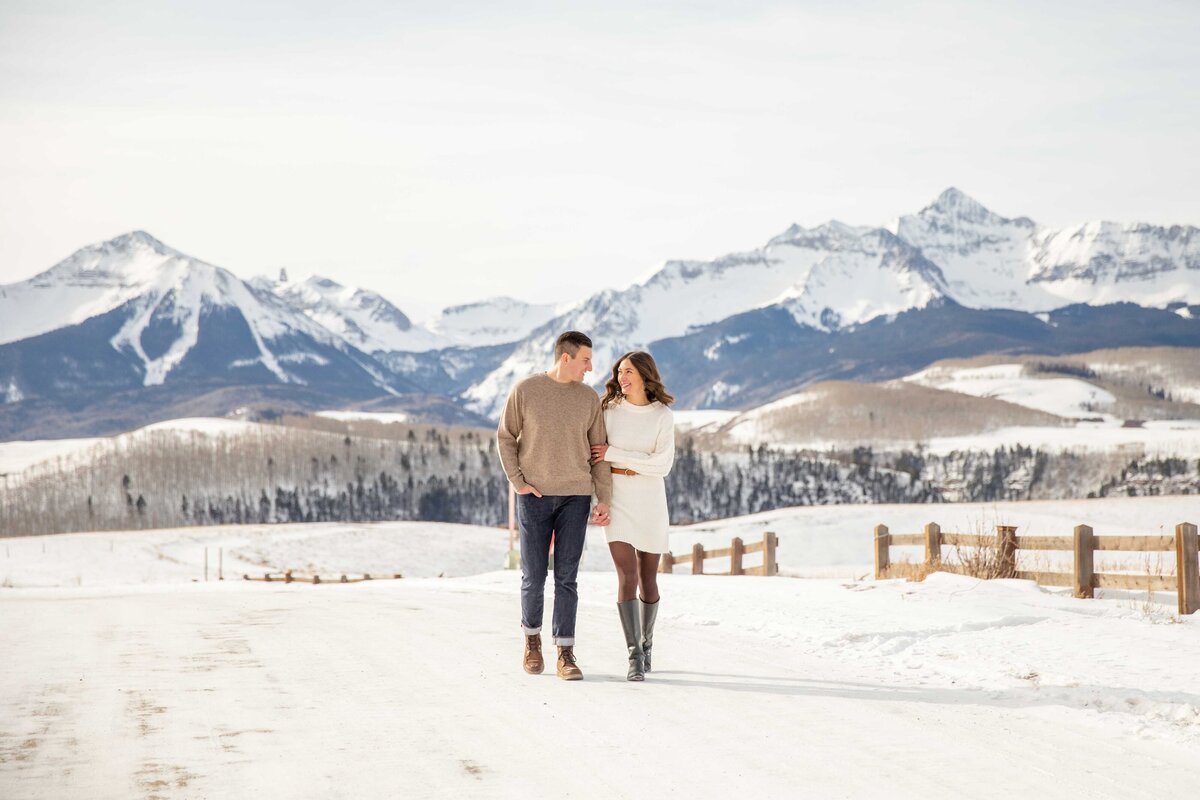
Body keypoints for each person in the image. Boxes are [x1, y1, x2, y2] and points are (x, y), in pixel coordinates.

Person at [496, 331, 613, 681]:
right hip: (533, 497)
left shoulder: (589, 398)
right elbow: (505, 437)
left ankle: (565, 652)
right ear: (566, 358)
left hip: (576, 497)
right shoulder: (525, 391)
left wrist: (603, 497)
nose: (591, 368)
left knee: (567, 578)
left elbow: (599, 452)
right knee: (533, 575)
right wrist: (517, 481)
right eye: (586, 360)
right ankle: (532, 642)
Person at [590, 351, 675, 681]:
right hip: (618, 497)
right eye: (619, 372)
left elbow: (661, 465)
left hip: (651, 498)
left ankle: (647, 641)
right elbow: (598, 460)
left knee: (648, 579)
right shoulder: (608, 410)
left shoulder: (662, 416)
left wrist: (617, 454)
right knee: (626, 576)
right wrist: (602, 499)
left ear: (644, 374)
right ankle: (634, 655)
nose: (622, 377)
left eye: (628, 372)